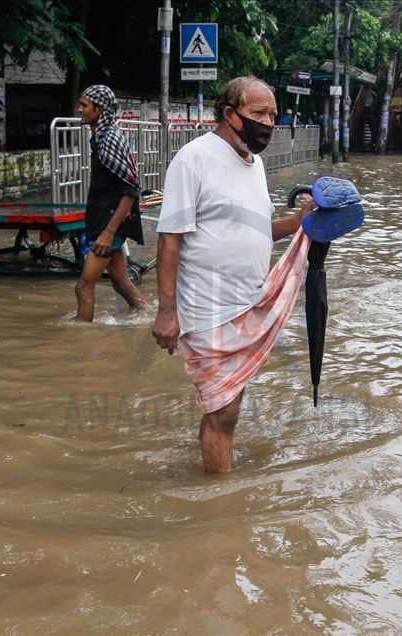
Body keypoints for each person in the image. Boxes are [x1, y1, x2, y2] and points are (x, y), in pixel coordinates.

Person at [152, 76, 316, 473]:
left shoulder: (255, 164)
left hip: (250, 302)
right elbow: (169, 239)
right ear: (229, 113)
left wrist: (299, 221)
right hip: (207, 307)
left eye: (273, 115)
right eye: (258, 113)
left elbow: (255, 228)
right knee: (223, 409)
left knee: (227, 404)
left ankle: (214, 472)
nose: (268, 122)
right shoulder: (194, 159)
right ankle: (219, 501)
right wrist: (166, 311)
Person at [73, 84, 147, 322]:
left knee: (83, 288)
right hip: (104, 220)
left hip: (109, 224)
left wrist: (108, 232)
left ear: (99, 109)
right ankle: (145, 315)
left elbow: (130, 189)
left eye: (84, 105)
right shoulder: (101, 137)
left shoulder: (111, 139)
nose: (80, 110)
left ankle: (82, 342)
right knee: (120, 281)